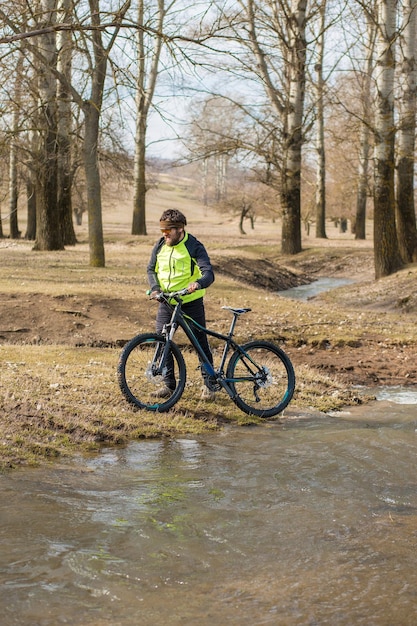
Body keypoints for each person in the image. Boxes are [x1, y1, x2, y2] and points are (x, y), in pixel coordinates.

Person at [147, 209, 215, 399]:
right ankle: (168, 385)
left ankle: (209, 385)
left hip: (191, 302)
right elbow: (151, 269)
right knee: (163, 341)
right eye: (162, 230)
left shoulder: (194, 246)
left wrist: (198, 283)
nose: (164, 234)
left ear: (180, 229)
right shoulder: (160, 245)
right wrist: (155, 288)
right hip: (167, 302)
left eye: (168, 231)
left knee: (199, 343)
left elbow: (208, 273)